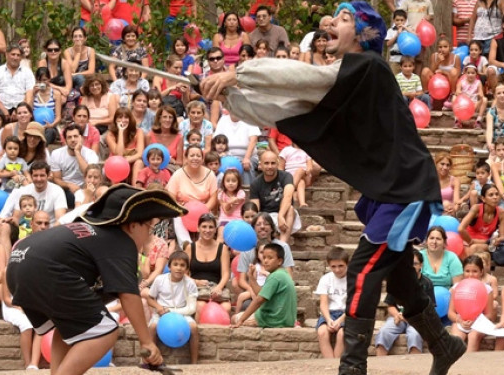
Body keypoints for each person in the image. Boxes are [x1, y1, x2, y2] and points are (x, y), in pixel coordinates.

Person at [200, 3, 466, 374]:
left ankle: (352, 367)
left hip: (404, 189)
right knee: (402, 282)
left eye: (343, 19)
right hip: (388, 191)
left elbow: (298, 78)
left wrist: (235, 75)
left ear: (362, 34)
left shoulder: (368, 66)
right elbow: (288, 108)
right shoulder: (348, 79)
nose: (331, 24)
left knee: (362, 270)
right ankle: (444, 345)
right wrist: (232, 98)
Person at [7, 184, 184, 374]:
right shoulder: (121, 241)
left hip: (18, 262)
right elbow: (128, 294)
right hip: (45, 270)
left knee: (70, 325)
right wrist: (146, 341)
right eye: (149, 227)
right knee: (106, 331)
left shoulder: (94, 231)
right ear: (132, 225)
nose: (150, 234)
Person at [375, 248, 433, 356]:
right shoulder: (397, 280)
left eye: (415, 264)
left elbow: (430, 308)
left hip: (418, 320)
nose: (412, 267)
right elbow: (390, 305)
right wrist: (397, 315)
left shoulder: (427, 284)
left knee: (414, 335)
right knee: (384, 332)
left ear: (421, 265)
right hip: (398, 318)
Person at [146, 251, 199, 364]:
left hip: (182, 313)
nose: (179, 268)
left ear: (187, 269)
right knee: (152, 327)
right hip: (161, 312)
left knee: (193, 327)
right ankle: (148, 361)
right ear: (169, 266)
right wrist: (158, 307)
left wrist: (171, 311)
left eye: (182, 265)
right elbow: (150, 298)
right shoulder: (160, 280)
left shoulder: (190, 283)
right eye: (175, 264)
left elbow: (191, 308)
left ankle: (194, 363)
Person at [232, 242, 297, 328]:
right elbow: (262, 294)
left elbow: (259, 300)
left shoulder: (275, 277)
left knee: (234, 318)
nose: (265, 261)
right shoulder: (282, 273)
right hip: (285, 320)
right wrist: (252, 278)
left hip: (273, 320)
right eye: (264, 257)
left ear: (279, 261)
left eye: (270, 258)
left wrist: (241, 320)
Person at [185, 214, 231, 316]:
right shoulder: (190, 248)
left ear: (215, 230)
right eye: (204, 226)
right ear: (198, 228)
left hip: (216, 288)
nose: (207, 230)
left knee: (226, 308)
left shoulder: (222, 249)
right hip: (196, 288)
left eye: (211, 227)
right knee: (200, 306)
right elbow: (184, 274)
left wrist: (219, 287)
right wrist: (196, 282)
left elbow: (226, 274)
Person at [447, 255, 495, 352]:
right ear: (463, 271)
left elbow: (490, 314)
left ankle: (469, 364)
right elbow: (451, 313)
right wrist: (459, 320)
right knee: (456, 339)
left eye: (474, 271)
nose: (470, 275)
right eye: (467, 271)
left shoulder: (486, 289)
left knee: (473, 336)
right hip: (461, 321)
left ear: (481, 272)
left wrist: (476, 321)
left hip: (479, 323)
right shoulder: (457, 287)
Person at [250, 151, 299, 243]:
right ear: (260, 165)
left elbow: (288, 197)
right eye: (266, 163)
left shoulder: (286, 176)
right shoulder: (255, 183)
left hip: (284, 213)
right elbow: (255, 209)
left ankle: (283, 245)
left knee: (290, 209)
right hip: (266, 216)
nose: (270, 166)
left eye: (273, 163)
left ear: (277, 164)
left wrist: (280, 215)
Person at [50, 124, 100, 208]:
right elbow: (56, 179)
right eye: (69, 137)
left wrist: (77, 152)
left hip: (87, 187)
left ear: (82, 138)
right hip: (66, 189)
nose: (73, 140)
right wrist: (69, 185)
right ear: (65, 140)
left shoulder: (90, 154)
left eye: (75, 136)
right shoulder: (56, 154)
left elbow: (89, 174)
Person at [0, 44, 35, 122]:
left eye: (18, 55)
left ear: (21, 57)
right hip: (1, 106)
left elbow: (30, 92)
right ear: (6, 55)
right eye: (13, 54)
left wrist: (19, 109)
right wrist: (3, 109)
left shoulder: (27, 72)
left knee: (25, 112)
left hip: (21, 106)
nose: (15, 57)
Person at [315, 248, 349, 358]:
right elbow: (323, 303)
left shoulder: (353, 279)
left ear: (347, 264)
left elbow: (353, 304)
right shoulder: (326, 279)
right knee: (322, 333)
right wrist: (329, 319)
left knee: (342, 334)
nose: (337, 270)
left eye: (341, 266)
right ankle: (330, 362)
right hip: (330, 313)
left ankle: (336, 364)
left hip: (346, 313)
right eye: (333, 266)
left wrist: (340, 320)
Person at [459, 184, 504, 257]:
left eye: (497, 194)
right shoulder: (476, 209)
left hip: (486, 243)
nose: (495, 197)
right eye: (491, 195)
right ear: (483, 199)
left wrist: (497, 240)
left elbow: (502, 236)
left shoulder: (501, 213)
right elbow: (461, 229)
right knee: (471, 248)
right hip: (468, 239)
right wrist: (471, 241)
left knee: (474, 248)